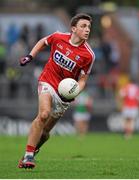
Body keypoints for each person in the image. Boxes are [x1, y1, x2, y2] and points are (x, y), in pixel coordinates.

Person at [18, 13, 95, 169]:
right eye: (83, 26)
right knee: (44, 114)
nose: (87, 30)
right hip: (47, 80)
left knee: (45, 133)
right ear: (73, 28)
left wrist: (74, 92)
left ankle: (33, 150)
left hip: (64, 95)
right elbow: (42, 42)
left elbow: (82, 80)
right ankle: (28, 155)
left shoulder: (88, 55)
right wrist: (30, 56)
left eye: (88, 27)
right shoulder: (58, 37)